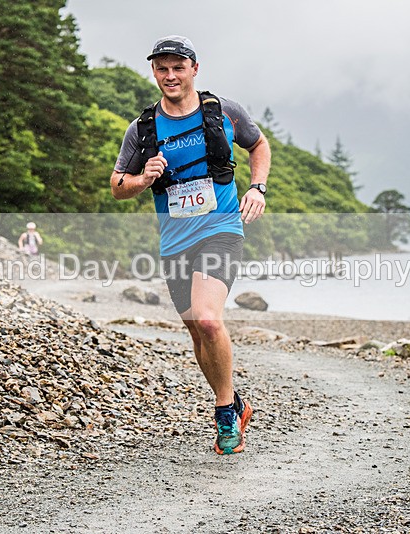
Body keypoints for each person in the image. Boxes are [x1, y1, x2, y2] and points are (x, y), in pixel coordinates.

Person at [110, 36, 271, 455]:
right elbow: (117, 187)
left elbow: (258, 145)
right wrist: (143, 179)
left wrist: (258, 188)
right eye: (162, 68)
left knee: (208, 320)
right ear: (154, 73)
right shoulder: (141, 129)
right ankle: (236, 403)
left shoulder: (224, 112)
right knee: (197, 334)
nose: (170, 76)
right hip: (174, 242)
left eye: (178, 67)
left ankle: (223, 414)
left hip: (221, 230)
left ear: (194, 69)